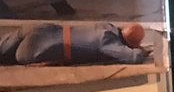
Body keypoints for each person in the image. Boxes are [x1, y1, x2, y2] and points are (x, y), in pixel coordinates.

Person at [0, 22, 149, 66]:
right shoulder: (107, 41)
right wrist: (142, 50)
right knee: (15, 58)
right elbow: (134, 58)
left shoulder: (106, 27)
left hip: (41, 29)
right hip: (40, 47)